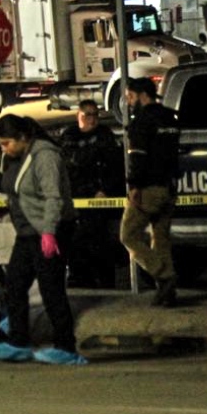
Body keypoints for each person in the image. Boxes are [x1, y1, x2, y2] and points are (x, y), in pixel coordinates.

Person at [0, 114, 86, 365]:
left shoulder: (45, 156)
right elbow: (21, 194)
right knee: (15, 285)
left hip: (49, 231)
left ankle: (66, 347)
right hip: (28, 232)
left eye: (6, 143)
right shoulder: (17, 158)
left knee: (52, 290)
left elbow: (54, 197)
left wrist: (50, 232)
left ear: (22, 138)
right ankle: (19, 341)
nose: (3, 149)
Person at [120, 76, 182, 307]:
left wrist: (134, 186)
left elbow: (138, 157)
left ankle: (164, 276)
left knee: (128, 235)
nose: (128, 102)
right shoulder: (170, 118)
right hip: (169, 186)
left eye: (130, 97)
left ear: (142, 95)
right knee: (161, 239)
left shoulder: (142, 122)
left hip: (148, 188)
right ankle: (167, 294)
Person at [59, 99, 125, 288]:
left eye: (95, 114)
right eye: (87, 114)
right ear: (78, 116)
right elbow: (72, 165)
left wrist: (105, 189)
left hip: (102, 201)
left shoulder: (105, 135)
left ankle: (105, 280)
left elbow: (114, 166)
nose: (92, 119)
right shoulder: (69, 136)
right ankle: (80, 279)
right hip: (78, 201)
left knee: (102, 243)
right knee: (78, 243)